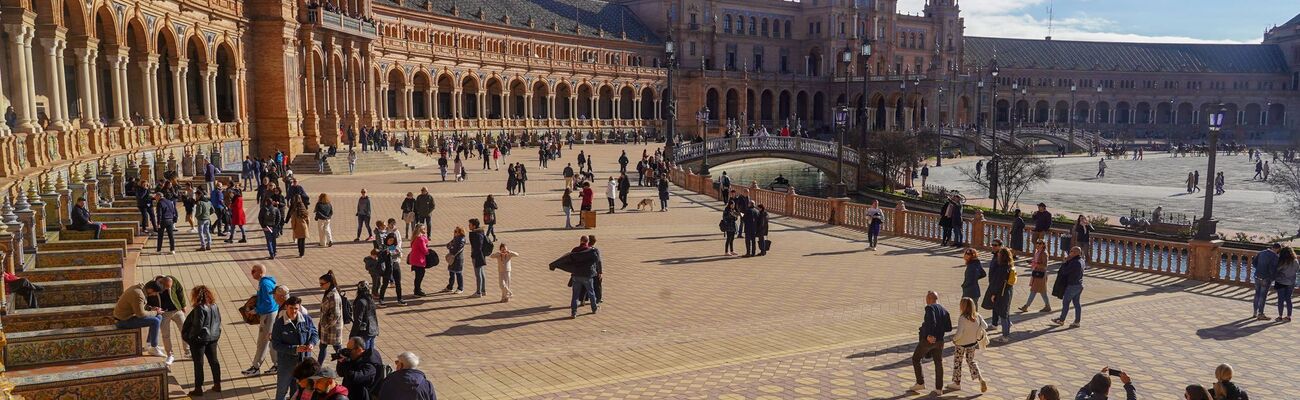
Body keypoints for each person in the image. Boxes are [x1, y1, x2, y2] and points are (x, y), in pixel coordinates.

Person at [271, 296, 319, 400]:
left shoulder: (306, 319)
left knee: (298, 391)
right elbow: (275, 345)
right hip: (286, 364)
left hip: (303, 363)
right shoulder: (279, 324)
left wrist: (312, 343)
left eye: (296, 308)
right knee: (281, 391)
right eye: (291, 308)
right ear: (286, 307)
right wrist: (295, 349)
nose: (294, 311)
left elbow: (315, 334)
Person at [181, 285, 223, 396]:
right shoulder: (214, 306)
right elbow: (219, 320)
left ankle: (198, 388)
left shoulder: (199, 308)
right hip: (213, 337)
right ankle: (217, 384)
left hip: (200, 340)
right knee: (214, 361)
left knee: (198, 364)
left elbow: (197, 326)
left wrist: (190, 337)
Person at [909, 291, 952, 396]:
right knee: (938, 362)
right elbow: (949, 328)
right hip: (940, 341)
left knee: (916, 358)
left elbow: (931, 321)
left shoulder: (929, 308)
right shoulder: (944, 310)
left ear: (929, 299)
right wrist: (938, 332)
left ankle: (920, 382)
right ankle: (939, 389)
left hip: (929, 340)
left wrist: (930, 335)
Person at [243, 265, 281, 376]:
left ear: (260, 272)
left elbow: (268, 302)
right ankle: (277, 365)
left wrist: (256, 310)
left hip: (268, 315)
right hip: (270, 314)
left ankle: (255, 367)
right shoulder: (265, 282)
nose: (251, 273)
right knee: (271, 341)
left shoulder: (264, 284)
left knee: (263, 342)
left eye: (253, 271)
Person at [113, 280, 167, 358]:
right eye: (156, 293)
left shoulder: (140, 289)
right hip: (122, 321)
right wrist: (155, 312)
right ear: (151, 290)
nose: (155, 295)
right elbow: (141, 314)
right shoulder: (138, 294)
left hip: (129, 316)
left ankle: (149, 345)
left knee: (159, 317)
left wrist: (152, 309)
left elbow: (140, 306)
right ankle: (154, 347)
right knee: (155, 321)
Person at [947, 297, 988, 393]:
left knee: (958, 362)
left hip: (961, 344)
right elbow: (985, 326)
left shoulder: (962, 318)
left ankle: (956, 384)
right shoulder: (977, 316)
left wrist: (954, 339)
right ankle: (980, 378)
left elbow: (960, 333)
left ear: (963, 306)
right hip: (972, 343)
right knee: (971, 361)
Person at [146, 276, 188, 365]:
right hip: (163, 313)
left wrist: (183, 304)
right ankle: (170, 355)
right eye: (165, 288)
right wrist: (152, 309)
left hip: (176, 310)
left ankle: (188, 352)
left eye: (169, 288)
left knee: (185, 330)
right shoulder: (151, 285)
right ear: (160, 283)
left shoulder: (172, 279)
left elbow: (179, 290)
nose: (167, 290)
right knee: (166, 335)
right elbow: (146, 300)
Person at [984, 247, 1016, 342]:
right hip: (1008, 291)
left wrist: (994, 294)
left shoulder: (1002, 268)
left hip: (1002, 293)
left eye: (999, 254)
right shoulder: (1009, 265)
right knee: (1006, 312)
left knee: (1003, 314)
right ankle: (1006, 332)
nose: (998, 255)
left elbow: (999, 283)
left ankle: (1005, 336)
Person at [1051, 246, 1086, 327]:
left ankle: (1061, 320)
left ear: (1076, 253)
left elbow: (1064, 272)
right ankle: (1077, 321)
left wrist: (1065, 262)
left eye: (1071, 251)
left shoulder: (1075, 262)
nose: (1069, 253)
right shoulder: (1082, 260)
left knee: (1066, 303)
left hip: (1072, 286)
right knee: (1077, 303)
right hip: (1079, 285)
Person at [316, 271, 344, 364]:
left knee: (338, 349)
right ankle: (318, 366)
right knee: (323, 346)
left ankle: (344, 365)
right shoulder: (329, 292)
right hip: (327, 328)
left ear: (329, 283)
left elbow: (335, 314)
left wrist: (325, 324)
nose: (320, 286)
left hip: (332, 329)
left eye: (322, 284)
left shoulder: (333, 295)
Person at [1021, 239, 1052, 313]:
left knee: (1034, 290)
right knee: (1042, 292)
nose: (1038, 244)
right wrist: (1032, 262)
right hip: (1037, 273)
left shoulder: (1044, 253)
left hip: (1040, 274)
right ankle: (1047, 306)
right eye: (1037, 243)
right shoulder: (1038, 252)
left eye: (1040, 243)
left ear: (1043, 245)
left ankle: (1026, 306)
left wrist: (1036, 263)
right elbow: (1036, 261)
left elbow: (1045, 265)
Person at [1251, 243, 1280, 320]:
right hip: (1266, 278)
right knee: (1263, 296)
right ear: (1277, 249)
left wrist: (1259, 269)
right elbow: (1273, 269)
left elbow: (1254, 263)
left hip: (1257, 276)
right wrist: (1273, 278)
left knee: (1257, 294)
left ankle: (1254, 312)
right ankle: (1260, 314)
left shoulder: (1261, 252)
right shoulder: (1275, 257)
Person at [349, 281, 380, 350]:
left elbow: (358, 320)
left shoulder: (360, 302)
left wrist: (352, 334)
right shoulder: (370, 299)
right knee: (370, 353)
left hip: (365, 332)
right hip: (373, 330)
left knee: (364, 353)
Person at [468, 219, 491, 298]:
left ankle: (478, 292)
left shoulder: (476, 234)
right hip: (481, 255)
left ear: (474, 226)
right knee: (481, 273)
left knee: (478, 274)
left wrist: (473, 255)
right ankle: (483, 290)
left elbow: (477, 247)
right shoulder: (480, 232)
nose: (469, 226)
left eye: (470, 224)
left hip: (477, 256)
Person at [408, 224, 430, 296]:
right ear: (420, 230)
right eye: (424, 229)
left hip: (415, 258)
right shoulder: (420, 239)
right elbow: (425, 250)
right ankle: (417, 290)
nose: (425, 230)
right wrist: (428, 251)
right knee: (420, 275)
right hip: (419, 259)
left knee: (418, 275)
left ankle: (417, 288)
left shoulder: (416, 237)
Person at [1276, 246, 1297, 322]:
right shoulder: (1295, 261)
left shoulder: (1281, 261)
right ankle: (1288, 316)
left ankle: (1280, 316)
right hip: (1291, 282)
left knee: (1280, 300)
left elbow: (1277, 269)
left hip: (1280, 281)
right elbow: (1297, 269)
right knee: (1288, 299)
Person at [442, 227, 467, 294]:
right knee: (451, 273)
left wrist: (451, 247)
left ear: (460, 232)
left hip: (458, 259)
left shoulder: (461, 240)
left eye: (456, 231)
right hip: (453, 258)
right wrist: (451, 246)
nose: (454, 232)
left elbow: (456, 249)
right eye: (454, 231)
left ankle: (460, 288)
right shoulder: (455, 238)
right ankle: (450, 287)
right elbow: (448, 245)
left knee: (458, 273)